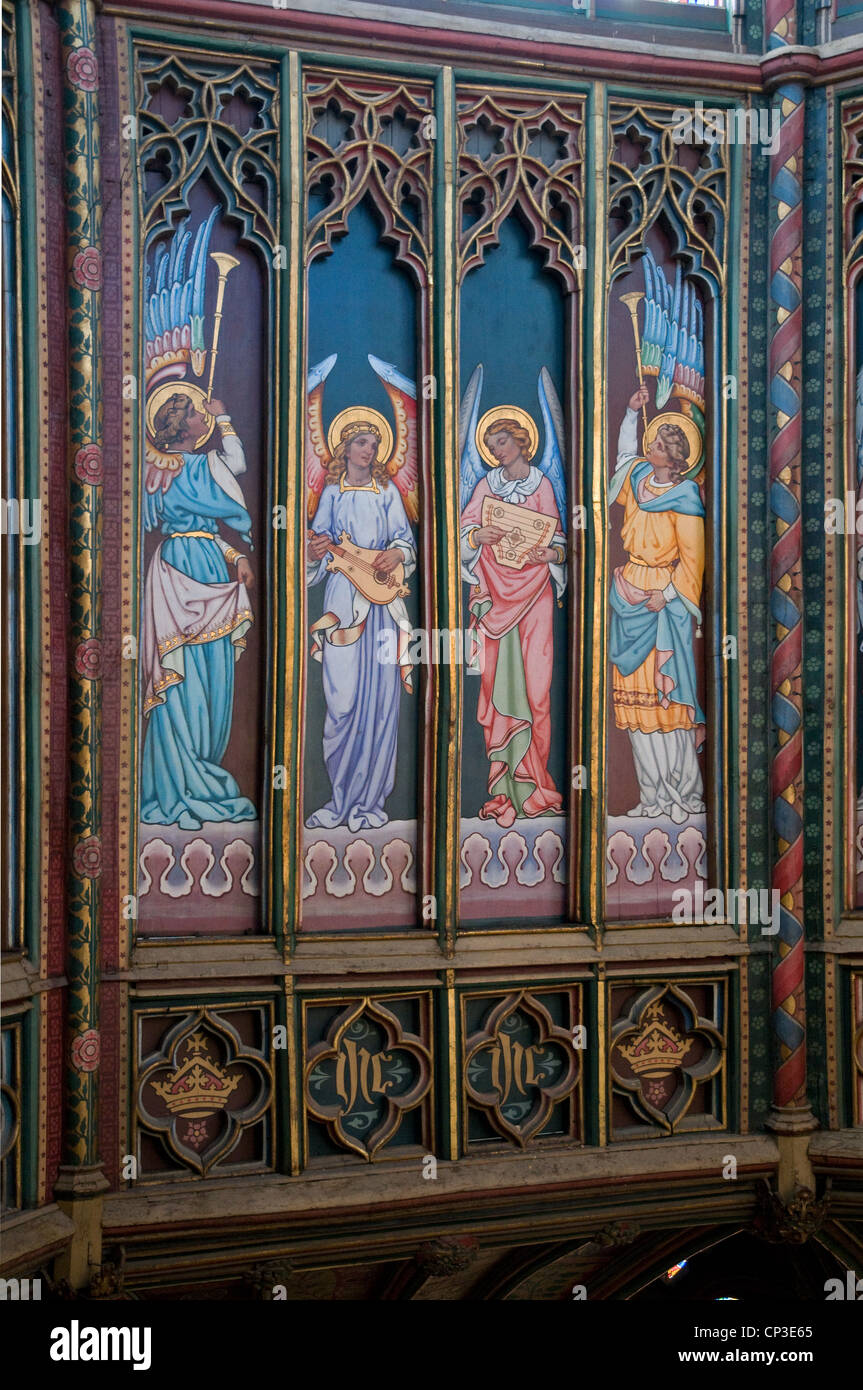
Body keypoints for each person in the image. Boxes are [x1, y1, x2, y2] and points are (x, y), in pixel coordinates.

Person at [140, 393, 256, 830]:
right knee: (178, 672)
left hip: (208, 563)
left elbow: (236, 465)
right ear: (175, 423)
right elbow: (184, 527)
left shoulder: (206, 465)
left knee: (214, 671)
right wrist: (222, 416)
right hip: (175, 571)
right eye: (191, 411)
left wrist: (235, 556)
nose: (198, 415)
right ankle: (177, 781)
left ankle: (202, 766)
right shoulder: (156, 469)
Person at [306, 421, 416, 830]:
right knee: (342, 701)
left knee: (382, 702)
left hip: (382, 603)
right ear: (345, 448)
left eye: (374, 444)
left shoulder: (387, 493)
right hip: (341, 604)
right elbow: (317, 551)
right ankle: (339, 801)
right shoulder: (332, 494)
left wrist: (398, 556)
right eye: (361, 443)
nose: (369, 451)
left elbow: (406, 542)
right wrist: (315, 551)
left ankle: (369, 804)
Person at [460, 418, 566, 829]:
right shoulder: (487, 486)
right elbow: (465, 532)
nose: (496, 450)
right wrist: (477, 537)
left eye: (502, 441)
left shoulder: (541, 486)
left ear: (522, 441)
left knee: (538, 692)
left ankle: (537, 788)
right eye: (490, 444)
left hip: (535, 594)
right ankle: (505, 790)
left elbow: (559, 544)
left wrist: (551, 557)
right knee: (496, 684)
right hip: (494, 594)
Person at [609, 382, 706, 823]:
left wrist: (664, 595)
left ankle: (684, 794)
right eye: (653, 441)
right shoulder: (636, 481)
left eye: (660, 444)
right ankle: (652, 797)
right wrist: (631, 414)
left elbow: (693, 560)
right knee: (635, 703)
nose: (652, 446)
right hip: (630, 590)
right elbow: (623, 458)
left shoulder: (685, 499)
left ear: (676, 455)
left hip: (666, 602)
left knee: (671, 700)